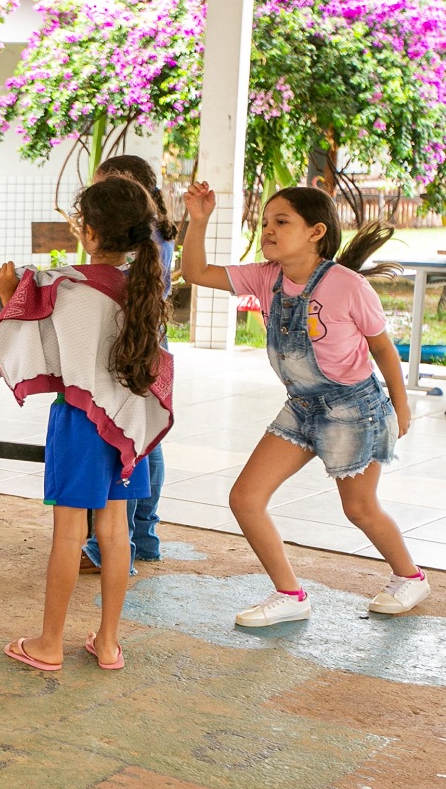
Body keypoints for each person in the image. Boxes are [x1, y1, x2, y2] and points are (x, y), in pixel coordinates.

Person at [182, 182, 430, 625]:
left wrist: (401, 406)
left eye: (282, 222)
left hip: (354, 410)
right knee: (245, 498)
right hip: (301, 406)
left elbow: (383, 349)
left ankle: (410, 576)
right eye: (265, 222)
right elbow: (196, 272)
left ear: (316, 232)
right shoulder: (264, 276)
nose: (268, 230)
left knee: (359, 509)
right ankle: (291, 595)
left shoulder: (347, 286)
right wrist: (199, 221)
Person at [0, 175, 173, 672]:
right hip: (125, 422)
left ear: (87, 233)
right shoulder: (145, 288)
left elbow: (25, 341)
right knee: (114, 533)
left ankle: (47, 644)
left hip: (79, 421)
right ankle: (108, 642)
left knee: (68, 533)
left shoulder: (66, 286)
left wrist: (6, 295)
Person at [80, 155, 178, 576]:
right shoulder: (155, 234)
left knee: (128, 441)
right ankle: (142, 537)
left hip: (131, 342)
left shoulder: (138, 246)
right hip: (149, 340)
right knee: (144, 438)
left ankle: (112, 546)